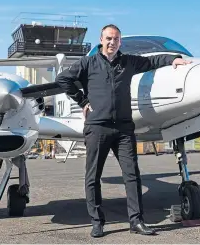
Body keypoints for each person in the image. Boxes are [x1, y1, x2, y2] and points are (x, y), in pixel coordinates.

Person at [55, 24, 192, 238]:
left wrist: (173, 58)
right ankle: (97, 222)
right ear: (101, 40)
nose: (112, 42)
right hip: (97, 127)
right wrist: (82, 100)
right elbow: (63, 79)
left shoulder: (127, 62)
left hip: (124, 128)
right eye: (109, 38)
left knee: (132, 175)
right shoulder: (88, 63)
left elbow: (151, 61)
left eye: (116, 39)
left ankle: (136, 221)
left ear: (120, 42)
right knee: (93, 177)